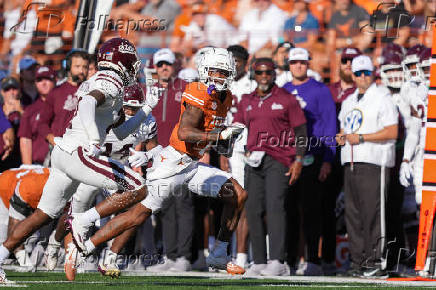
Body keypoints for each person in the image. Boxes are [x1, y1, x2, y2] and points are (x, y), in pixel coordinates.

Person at [70, 48, 248, 276]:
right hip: (173, 164)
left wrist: (226, 137)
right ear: (205, 72)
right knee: (139, 214)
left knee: (237, 194)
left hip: (192, 165)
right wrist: (218, 136)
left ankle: (220, 254)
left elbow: (209, 132)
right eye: (217, 72)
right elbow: (185, 132)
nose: (222, 77)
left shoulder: (226, 97)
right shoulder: (198, 92)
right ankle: (86, 245)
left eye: (225, 72)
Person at [0, 37, 159, 283]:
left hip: (64, 153)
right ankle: (82, 222)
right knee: (138, 188)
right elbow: (87, 103)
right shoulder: (112, 81)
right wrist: (95, 139)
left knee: (43, 214)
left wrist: (147, 109)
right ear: (122, 60)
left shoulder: (100, 80)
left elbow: (118, 133)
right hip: (80, 152)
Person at [234, 58, 307, 276]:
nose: (264, 76)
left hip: (279, 159)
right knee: (253, 209)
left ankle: (277, 260)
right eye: (259, 72)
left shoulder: (286, 99)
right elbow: (237, 126)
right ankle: (258, 261)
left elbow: (301, 132)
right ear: (253, 75)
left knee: (275, 208)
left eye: (267, 72)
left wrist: (299, 160)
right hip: (253, 159)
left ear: (274, 74)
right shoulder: (246, 100)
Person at [336, 55, 398, 277]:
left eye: (366, 73)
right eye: (358, 73)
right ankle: (358, 262)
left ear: (373, 74)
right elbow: (346, 129)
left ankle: (376, 262)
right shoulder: (349, 101)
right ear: (352, 75)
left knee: (373, 214)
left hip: (374, 161)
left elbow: (392, 131)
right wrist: (342, 137)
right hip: (351, 161)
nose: (362, 77)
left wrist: (361, 138)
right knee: (353, 215)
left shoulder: (383, 97)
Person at [283, 48, 336, 276]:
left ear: (308, 64)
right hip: (286, 160)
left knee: (312, 211)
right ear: (289, 64)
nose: (298, 66)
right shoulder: (282, 90)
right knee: (288, 211)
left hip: (313, 157)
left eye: (302, 62)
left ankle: (314, 259)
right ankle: (290, 259)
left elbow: (330, 126)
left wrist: (328, 159)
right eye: (294, 62)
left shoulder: (320, 90)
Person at [144, 48, 193, 273]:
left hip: (182, 155)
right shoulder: (149, 91)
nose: (164, 68)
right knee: (165, 206)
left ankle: (183, 256)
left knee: (183, 205)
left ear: (175, 66)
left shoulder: (185, 89)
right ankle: (170, 256)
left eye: (168, 64)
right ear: (155, 67)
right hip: (158, 157)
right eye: (160, 64)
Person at [224, 45, 256, 269]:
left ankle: (243, 254)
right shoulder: (222, 85)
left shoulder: (253, 85)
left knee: (245, 200)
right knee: (230, 201)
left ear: (247, 61)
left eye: (238, 60)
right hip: (228, 149)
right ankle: (223, 251)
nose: (235, 64)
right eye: (231, 60)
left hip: (249, 148)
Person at [46, 49, 89, 139]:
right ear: (68, 67)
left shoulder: (91, 91)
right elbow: (43, 122)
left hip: (82, 145)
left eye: (85, 67)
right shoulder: (56, 92)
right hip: (59, 145)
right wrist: (51, 138)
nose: (81, 71)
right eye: (77, 66)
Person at [18, 66, 56, 165]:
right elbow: (25, 140)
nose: (43, 83)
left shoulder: (65, 104)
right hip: (38, 165)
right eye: (39, 80)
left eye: (47, 79)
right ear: (35, 83)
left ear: (55, 80)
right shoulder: (30, 110)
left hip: (64, 164)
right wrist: (28, 168)